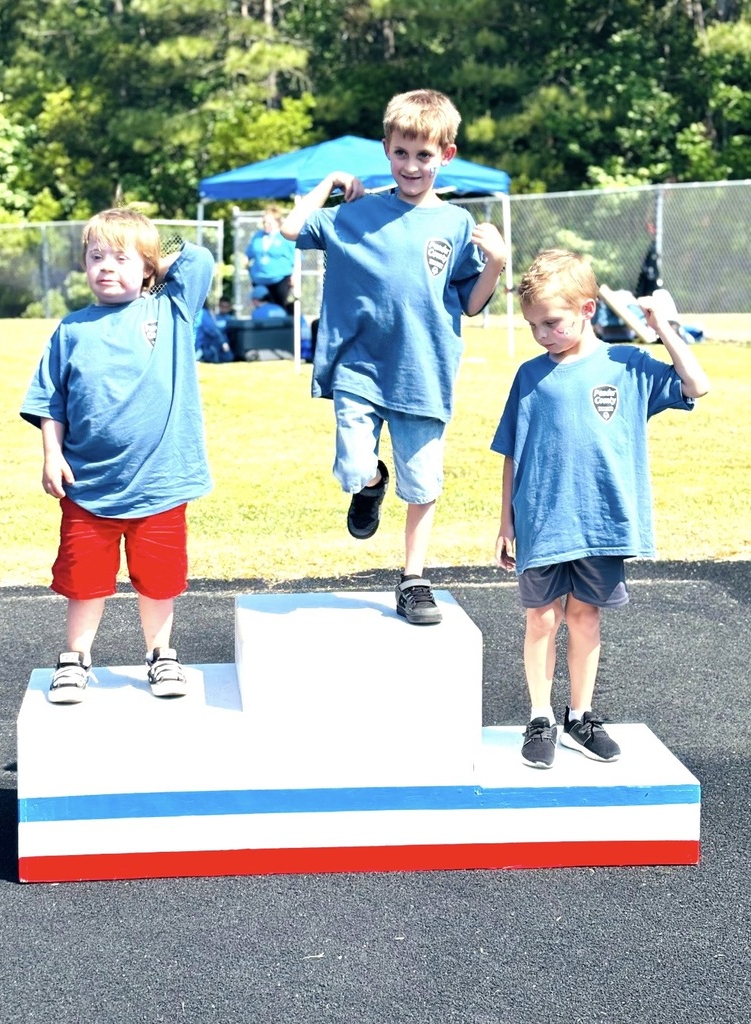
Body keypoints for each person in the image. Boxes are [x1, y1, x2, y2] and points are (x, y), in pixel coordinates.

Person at [282, 88, 506, 625]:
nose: (411, 165)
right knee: (354, 468)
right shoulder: (354, 214)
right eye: (401, 153)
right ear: (386, 149)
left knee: (423, 483)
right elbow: (292, 228)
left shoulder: (454, 225)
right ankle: (371, 486)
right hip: (358, 368)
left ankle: (413, 580)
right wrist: (330, 184)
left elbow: (471, 303)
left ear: (445, 155)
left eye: (423, 155)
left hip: (423, 372)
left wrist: (497, 262)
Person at [491, 249, 710, 768]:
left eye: (552, 322)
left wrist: (664, 330)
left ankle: (580, 717)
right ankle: (540, 717)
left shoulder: (628, 364)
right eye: (533, 326)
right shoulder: (529, 375)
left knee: (585, 616)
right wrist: (505, 519)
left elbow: (697, 385)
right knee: (541, 618)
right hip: (542, 517)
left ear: (588, 309)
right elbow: (512, 451)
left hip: (600, 520)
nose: (542, 334)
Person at [20, 209, 214, 705]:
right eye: (96, 256)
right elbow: (50, 400)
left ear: (149, 267)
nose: (106, 266)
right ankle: (75, 658)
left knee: (159, 579)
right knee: (85, 581)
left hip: (160, 483)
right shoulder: (71, 330)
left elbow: (199, 258)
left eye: (121, 258)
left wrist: (151, 246)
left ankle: (161, 654)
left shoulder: (170, 310)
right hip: (88, 488)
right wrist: (50, 454)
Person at [245, 205, 296, 312]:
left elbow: (295, 256)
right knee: (261, 308)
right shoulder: (258, 235)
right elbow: (249, 253)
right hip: (259, 279)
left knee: (279, 308)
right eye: (264, 222)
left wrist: (294, 275)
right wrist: (246, 263)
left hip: (279, 279)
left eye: (269, 222)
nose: (266, 225)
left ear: (277, 222)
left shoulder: (285, 236)